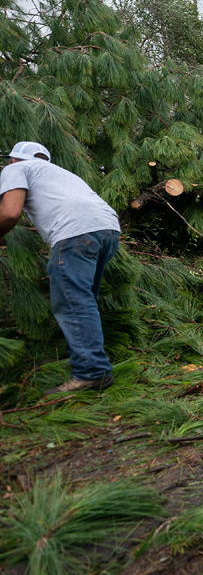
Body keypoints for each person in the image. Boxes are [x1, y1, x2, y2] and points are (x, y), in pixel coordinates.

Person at [0, 142, 122, 395]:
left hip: (75, 232)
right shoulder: (60, 174)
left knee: (72, 303)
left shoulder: (15, 170)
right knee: (83, 300)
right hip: (108, 229)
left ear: (13, 160)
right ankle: (84, 362)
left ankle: (91, 373)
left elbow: (9, 213)